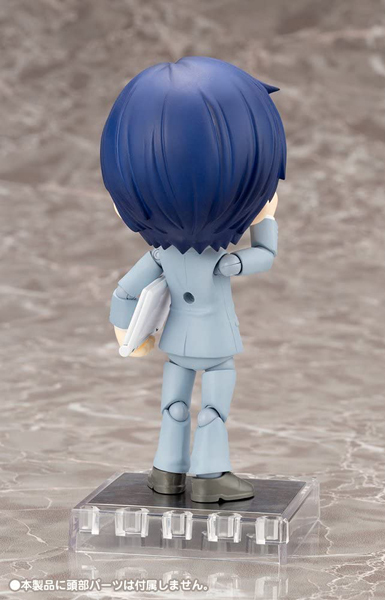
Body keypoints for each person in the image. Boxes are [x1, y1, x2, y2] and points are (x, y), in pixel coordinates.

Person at [101, 56, 286, 503]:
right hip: (217, 342)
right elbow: (265, 255)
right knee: (213, 410)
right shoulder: (218, 255)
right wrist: (260, 225)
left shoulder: (160, 254)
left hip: (176, 343)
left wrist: (129, 333)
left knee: (175, 406)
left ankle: (167, 470)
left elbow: (124, 292)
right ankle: (209, 475)